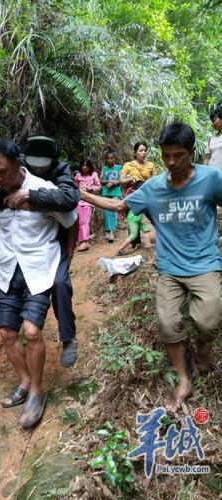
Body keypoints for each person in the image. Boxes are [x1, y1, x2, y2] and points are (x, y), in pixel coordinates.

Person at [79, 122, 222, 413]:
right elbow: (119, 206)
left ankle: (204, 349)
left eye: (178, 155)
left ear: (191, 152)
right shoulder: (154, 187)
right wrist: (82, 195)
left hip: (205, 263)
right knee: (169, 325)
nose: (171, 162)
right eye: (166, 155)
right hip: (169, 267)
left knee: (208, 321)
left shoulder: (211, 179)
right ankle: (183, 379)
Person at [0, 138, 78, 428]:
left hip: (39, 268)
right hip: (8, 270)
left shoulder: (45, 190)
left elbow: (70, 221)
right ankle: (24, 382)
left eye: (3, 172)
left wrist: (68, 258)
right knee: (8, 333)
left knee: (32, 332)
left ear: (18, 165)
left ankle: (37, 391)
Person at [0, 136, 79, 368]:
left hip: (48, 243)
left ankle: (68, 337)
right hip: (12, 248)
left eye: (44, 163)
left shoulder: (57, 175)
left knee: (61, 284)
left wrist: (32, 198)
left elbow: (71, 212)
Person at [74, 157, 101, 251]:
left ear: (90, 166)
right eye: (83, 165)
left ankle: (85, 242)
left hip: (89, 201)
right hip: (79, 201)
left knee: (85, 221)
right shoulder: (78, 176)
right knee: (79, 221)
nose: (85, 167)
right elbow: (74, 186)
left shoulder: (94, 175)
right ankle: (81, 241)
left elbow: (98, 186)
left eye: (87, 165)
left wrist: (92, 188)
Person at [100, 149, 122, 242]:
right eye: (108, 158)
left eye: (111, 158)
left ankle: (111, 232)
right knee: (105, 211)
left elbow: (121, 180)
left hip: (116, 192)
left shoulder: (119, 168)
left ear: (114, 158)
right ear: (106, 159)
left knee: (113, 211)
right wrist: (108, 182)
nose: (110, 160)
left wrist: (113, 183)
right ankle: (107, 230)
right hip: (106, 193)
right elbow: (100, 180)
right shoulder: (104, 169)